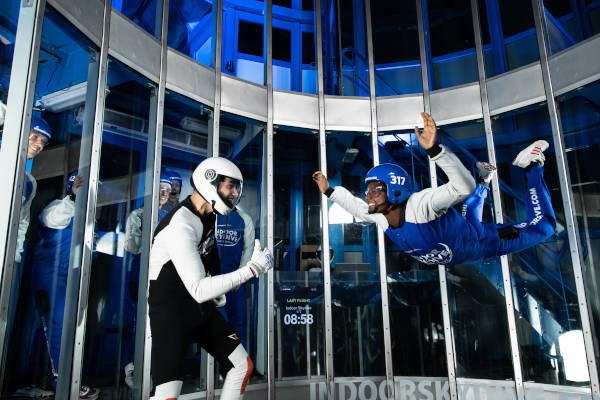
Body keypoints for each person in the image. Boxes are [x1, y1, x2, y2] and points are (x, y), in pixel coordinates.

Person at [312, 112, 556, 267]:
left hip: (482, 243)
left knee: (545, 227)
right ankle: (485, 180)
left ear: (395, 190)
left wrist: (435, 151)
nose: (368, 195)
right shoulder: (381, 218)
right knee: (468, 219)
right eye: (368, 190)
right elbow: (355, 205)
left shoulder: (421, 205)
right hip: (463, 244)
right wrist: (329, 192)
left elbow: (462, 187)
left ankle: (531, 164)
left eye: (375, 189)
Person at [148, 157, 273, 399]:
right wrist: (252, 269)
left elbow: (208, 257)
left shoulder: (209, 214)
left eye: (237, 187)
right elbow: (198, 288)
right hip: (172, 312)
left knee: (242, 366)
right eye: (230, 186)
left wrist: (219, 291)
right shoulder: (180, 223)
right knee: (168, 394)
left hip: (199, 307)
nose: (235, 193)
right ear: (210, 183)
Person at [29, 171, 100, 399]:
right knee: (56, 327)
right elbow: (53, 222)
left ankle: (41, 378)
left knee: (51, 330)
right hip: (49, 280)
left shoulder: (89, 216)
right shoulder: (59, 208)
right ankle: (62, 380)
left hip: (68, 280)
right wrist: (76, 196)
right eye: (87, 188)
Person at [216, 208, 255, 350]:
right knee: (209, 321)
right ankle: (205, 364)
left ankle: (241, 360)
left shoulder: (244, 218)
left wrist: (240, 276)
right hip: (211, 279)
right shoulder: (211, 215)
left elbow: (248, 249)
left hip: (234, 280)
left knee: (237, 322)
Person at [16, 115, 52, 264]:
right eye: (35, 136)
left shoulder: (29, 183)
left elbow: (21, 221)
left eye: (43, 141)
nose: (39, 144)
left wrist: (15, 254)